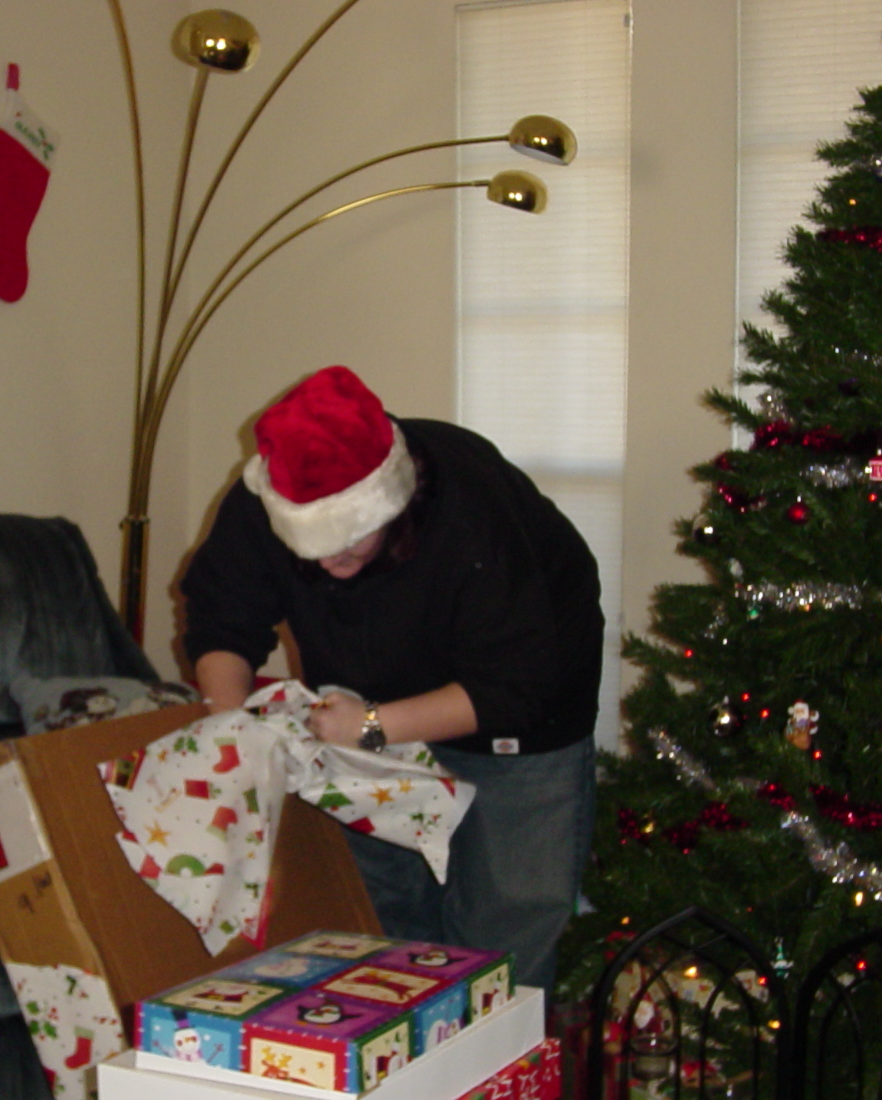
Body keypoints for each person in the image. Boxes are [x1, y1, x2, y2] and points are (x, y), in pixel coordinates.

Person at [180, 364, 603, 994]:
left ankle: (498, 1056)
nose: (331, 563)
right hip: (367, 713)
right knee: (385, 923)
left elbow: (514, 684)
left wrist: (372, 726)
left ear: (395, 503)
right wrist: (228, 727)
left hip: (521, 716)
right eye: (310, 548)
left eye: (350, 542)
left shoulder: (470, 512)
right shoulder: (262, 498)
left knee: (504, 931)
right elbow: (222, 618)